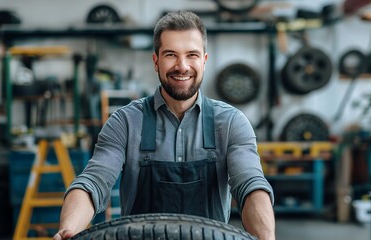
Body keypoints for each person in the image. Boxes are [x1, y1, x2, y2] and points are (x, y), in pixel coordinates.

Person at [53, 10, 275, 240]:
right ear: (156, 61)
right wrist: (68, 230)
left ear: (204, 61)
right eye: (171, 55)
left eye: (192, 55)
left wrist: (266, 237)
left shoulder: (230, 123)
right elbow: (94, 181)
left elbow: (251, 185)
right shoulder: (125, 122)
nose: (182, 66)